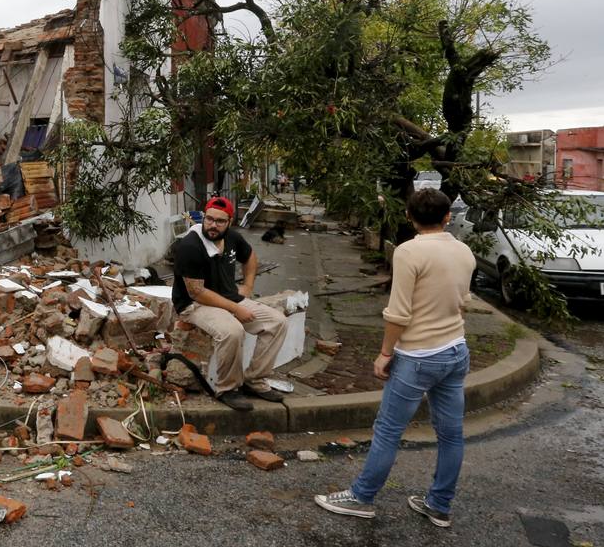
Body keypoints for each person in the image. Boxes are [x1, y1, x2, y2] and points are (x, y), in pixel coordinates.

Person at [314, 187, 474, 527]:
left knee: (388, 429)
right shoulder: (464, 252)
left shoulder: (408, 253)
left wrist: (385, 352)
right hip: (456, 350)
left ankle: (362, 496)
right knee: (451, 434)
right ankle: (439, 504)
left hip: (418, 355)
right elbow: (464, 301)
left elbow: (399, 313)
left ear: (409, 217)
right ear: (448, 217)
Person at [169, 196, 290, 411]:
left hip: (229, 297)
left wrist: (248, 287)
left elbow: (250, 257)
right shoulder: (190, 245)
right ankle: (228, 389)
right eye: (209, 219)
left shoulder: (232, 237)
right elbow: (197, 292)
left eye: (220, 221)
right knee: (232, 331)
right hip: (195, 305)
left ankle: (255, 380)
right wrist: (236, 309)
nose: (213, 225)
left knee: (277, 322)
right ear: (203, 218)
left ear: (230, 222)